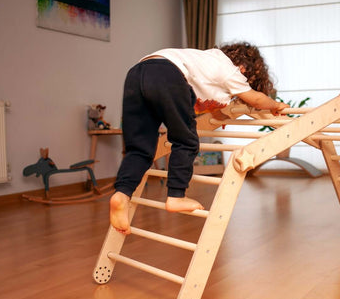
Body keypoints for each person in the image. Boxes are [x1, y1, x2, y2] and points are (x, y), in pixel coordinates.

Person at [109, 42, 289, 234]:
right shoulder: (229, 69)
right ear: (244, 68)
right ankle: (176, 195)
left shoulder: (205, 67)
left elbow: (215, 110)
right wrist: (274, 105)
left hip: (137, 74)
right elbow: (256, 99)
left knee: (140, 149)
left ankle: (121, 195)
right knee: (186, 140)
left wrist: (223, 116)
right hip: (166, 73)